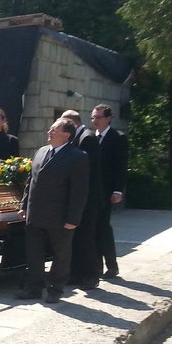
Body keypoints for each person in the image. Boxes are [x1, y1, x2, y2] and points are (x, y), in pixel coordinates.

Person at [16, 119, 89, 304]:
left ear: (67, 134)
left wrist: (73, 218)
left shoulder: (77, 156)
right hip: (36, 213)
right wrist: (24, 206)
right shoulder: (41, 152)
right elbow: (30, 183)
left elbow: (79, 191)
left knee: (61, 254)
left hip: (60, 215)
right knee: (34, 253)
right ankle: (34, 287)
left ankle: (56, 289)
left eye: (54, 129)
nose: (49, 131)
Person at [61, 109, 101, 289]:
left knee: (86, 237)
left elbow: (86, 171)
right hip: (78, 197)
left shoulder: (87, 138)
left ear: (72, 123)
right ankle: (76, 274)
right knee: (75, 238)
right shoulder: (78, 137)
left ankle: (91, 275)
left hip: (88, 198)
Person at [91, 103, 128, 279]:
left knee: (103, 228)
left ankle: (111, 266)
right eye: (93, 117)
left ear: (108, 118)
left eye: (98, 117)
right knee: (95, 228)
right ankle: (96, 267)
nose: (95, 121)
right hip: (93, 191)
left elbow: (121, 166)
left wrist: (118, 190)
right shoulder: (92, 138)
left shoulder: (117, 138)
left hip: (106, 191)